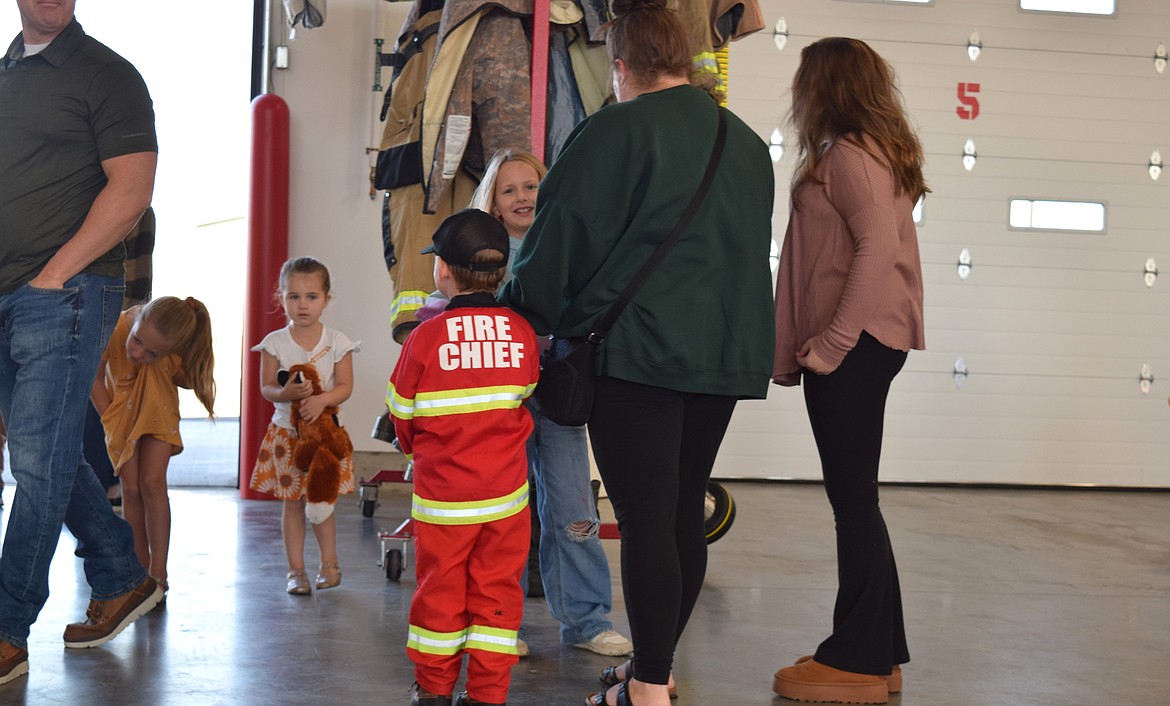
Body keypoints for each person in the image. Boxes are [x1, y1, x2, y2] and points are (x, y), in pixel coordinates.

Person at [498, 0, 776, 703]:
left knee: (647, 518)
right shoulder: (744, 143)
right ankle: (658, 662)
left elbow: (560, 241)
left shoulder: (612, 130)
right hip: (723, 353)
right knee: (683, 509)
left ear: (620, 68)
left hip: (639, 354)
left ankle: (648, 687)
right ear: (683, 60)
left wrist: (522, 310)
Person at [0, 0, 162, 685]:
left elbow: (132, 190)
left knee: (35, 466)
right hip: (10, 296)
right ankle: (121, 575)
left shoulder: (107, 75)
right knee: (51, 458)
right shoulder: (8, 73)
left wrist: (52, 278)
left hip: (64, 295)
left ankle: (6, 629)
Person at [770, 37, 927, 705]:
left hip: (855, 347)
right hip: (863, 346)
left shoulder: (851, 159)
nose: (796, 93)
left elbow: (877, 252)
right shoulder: (862, 153)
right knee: (857, 497)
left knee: (853, 499)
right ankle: (878, 651)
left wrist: (833, 343)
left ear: (826, 86)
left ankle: (858, 658)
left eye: (805, 80)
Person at [472, 148, 633, 658]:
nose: (523, 196)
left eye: (531, 185)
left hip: (561, 397)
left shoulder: (571, 247)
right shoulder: (485, 259)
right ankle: (499, 622)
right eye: (509, 189)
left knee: (573, 509)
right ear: (494, 204)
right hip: (503, 404)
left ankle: (587, 621)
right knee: (505, 515)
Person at [388, 209, 540, 706]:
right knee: (497, 594)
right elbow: (526, 393)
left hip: (444, 500)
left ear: (444, 271)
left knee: (440, 591)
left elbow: (402, 416)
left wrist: (425, 454)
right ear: (500, 273)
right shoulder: (520, 334)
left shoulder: (424, 338)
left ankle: (433, 690)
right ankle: (487, 695)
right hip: (506, 499)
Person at [91, 296, 216, 596]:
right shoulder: (113, 327)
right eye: (137, 341)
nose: (137, 353)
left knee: (152, 482)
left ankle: (158, 572)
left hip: (159, 413)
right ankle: (140, 571)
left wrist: (176, 360)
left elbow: (186, 380)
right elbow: (95, 379)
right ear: (138, 318)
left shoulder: (171, 348)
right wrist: (111, 417)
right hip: (121, 416)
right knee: (131, 489)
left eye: (152, 353)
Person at [249, 257, 359, 595]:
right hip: (286, 436)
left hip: (325, 437)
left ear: (326, 298)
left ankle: (329, 562)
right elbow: (266, 387)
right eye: (293, 296)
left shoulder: (337, 341)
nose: (302, 304)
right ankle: (296, 571)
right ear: (280, 298)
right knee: (292, 503)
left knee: (322, 500)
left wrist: (321, 400)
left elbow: (345, 386)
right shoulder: (275, 342)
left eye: (311, 297)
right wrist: (285, 393)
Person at [85, 206, 158, 511]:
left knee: (109, 400)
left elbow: (139, 272)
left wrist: (130, 324)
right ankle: (100, 485)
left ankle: (110, 483)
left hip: (120, 318)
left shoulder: (139, 210)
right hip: (71, 307)